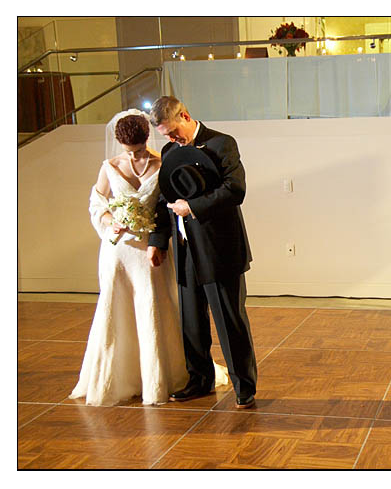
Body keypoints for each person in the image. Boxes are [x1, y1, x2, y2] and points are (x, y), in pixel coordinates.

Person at [70, 111, 188, 406]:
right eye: (128, 150)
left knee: (154, 305)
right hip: (118, 249)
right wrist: (111, 221)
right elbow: (97, 202)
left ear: (146, 139)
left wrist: (160, 242)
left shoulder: (162, 163)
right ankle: (119, 376)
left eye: (137, 149)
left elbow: (167, 207)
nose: (133, 155)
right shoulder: (109, 166)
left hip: (151, 250)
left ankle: (157, 377)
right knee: (116, 306)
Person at [147, 96, 258, 409]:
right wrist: (157, 240)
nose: (170, 140)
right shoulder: (170, 152)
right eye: (165, 135)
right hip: (185, 251)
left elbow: (236, 189)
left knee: (229, 321)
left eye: (172, 131)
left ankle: (244, 387)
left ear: (185, 115)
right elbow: (162, 199)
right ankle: (199, 380)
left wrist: (192, 206)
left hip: (220, 248)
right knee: (191, 322)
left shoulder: (223, 144)